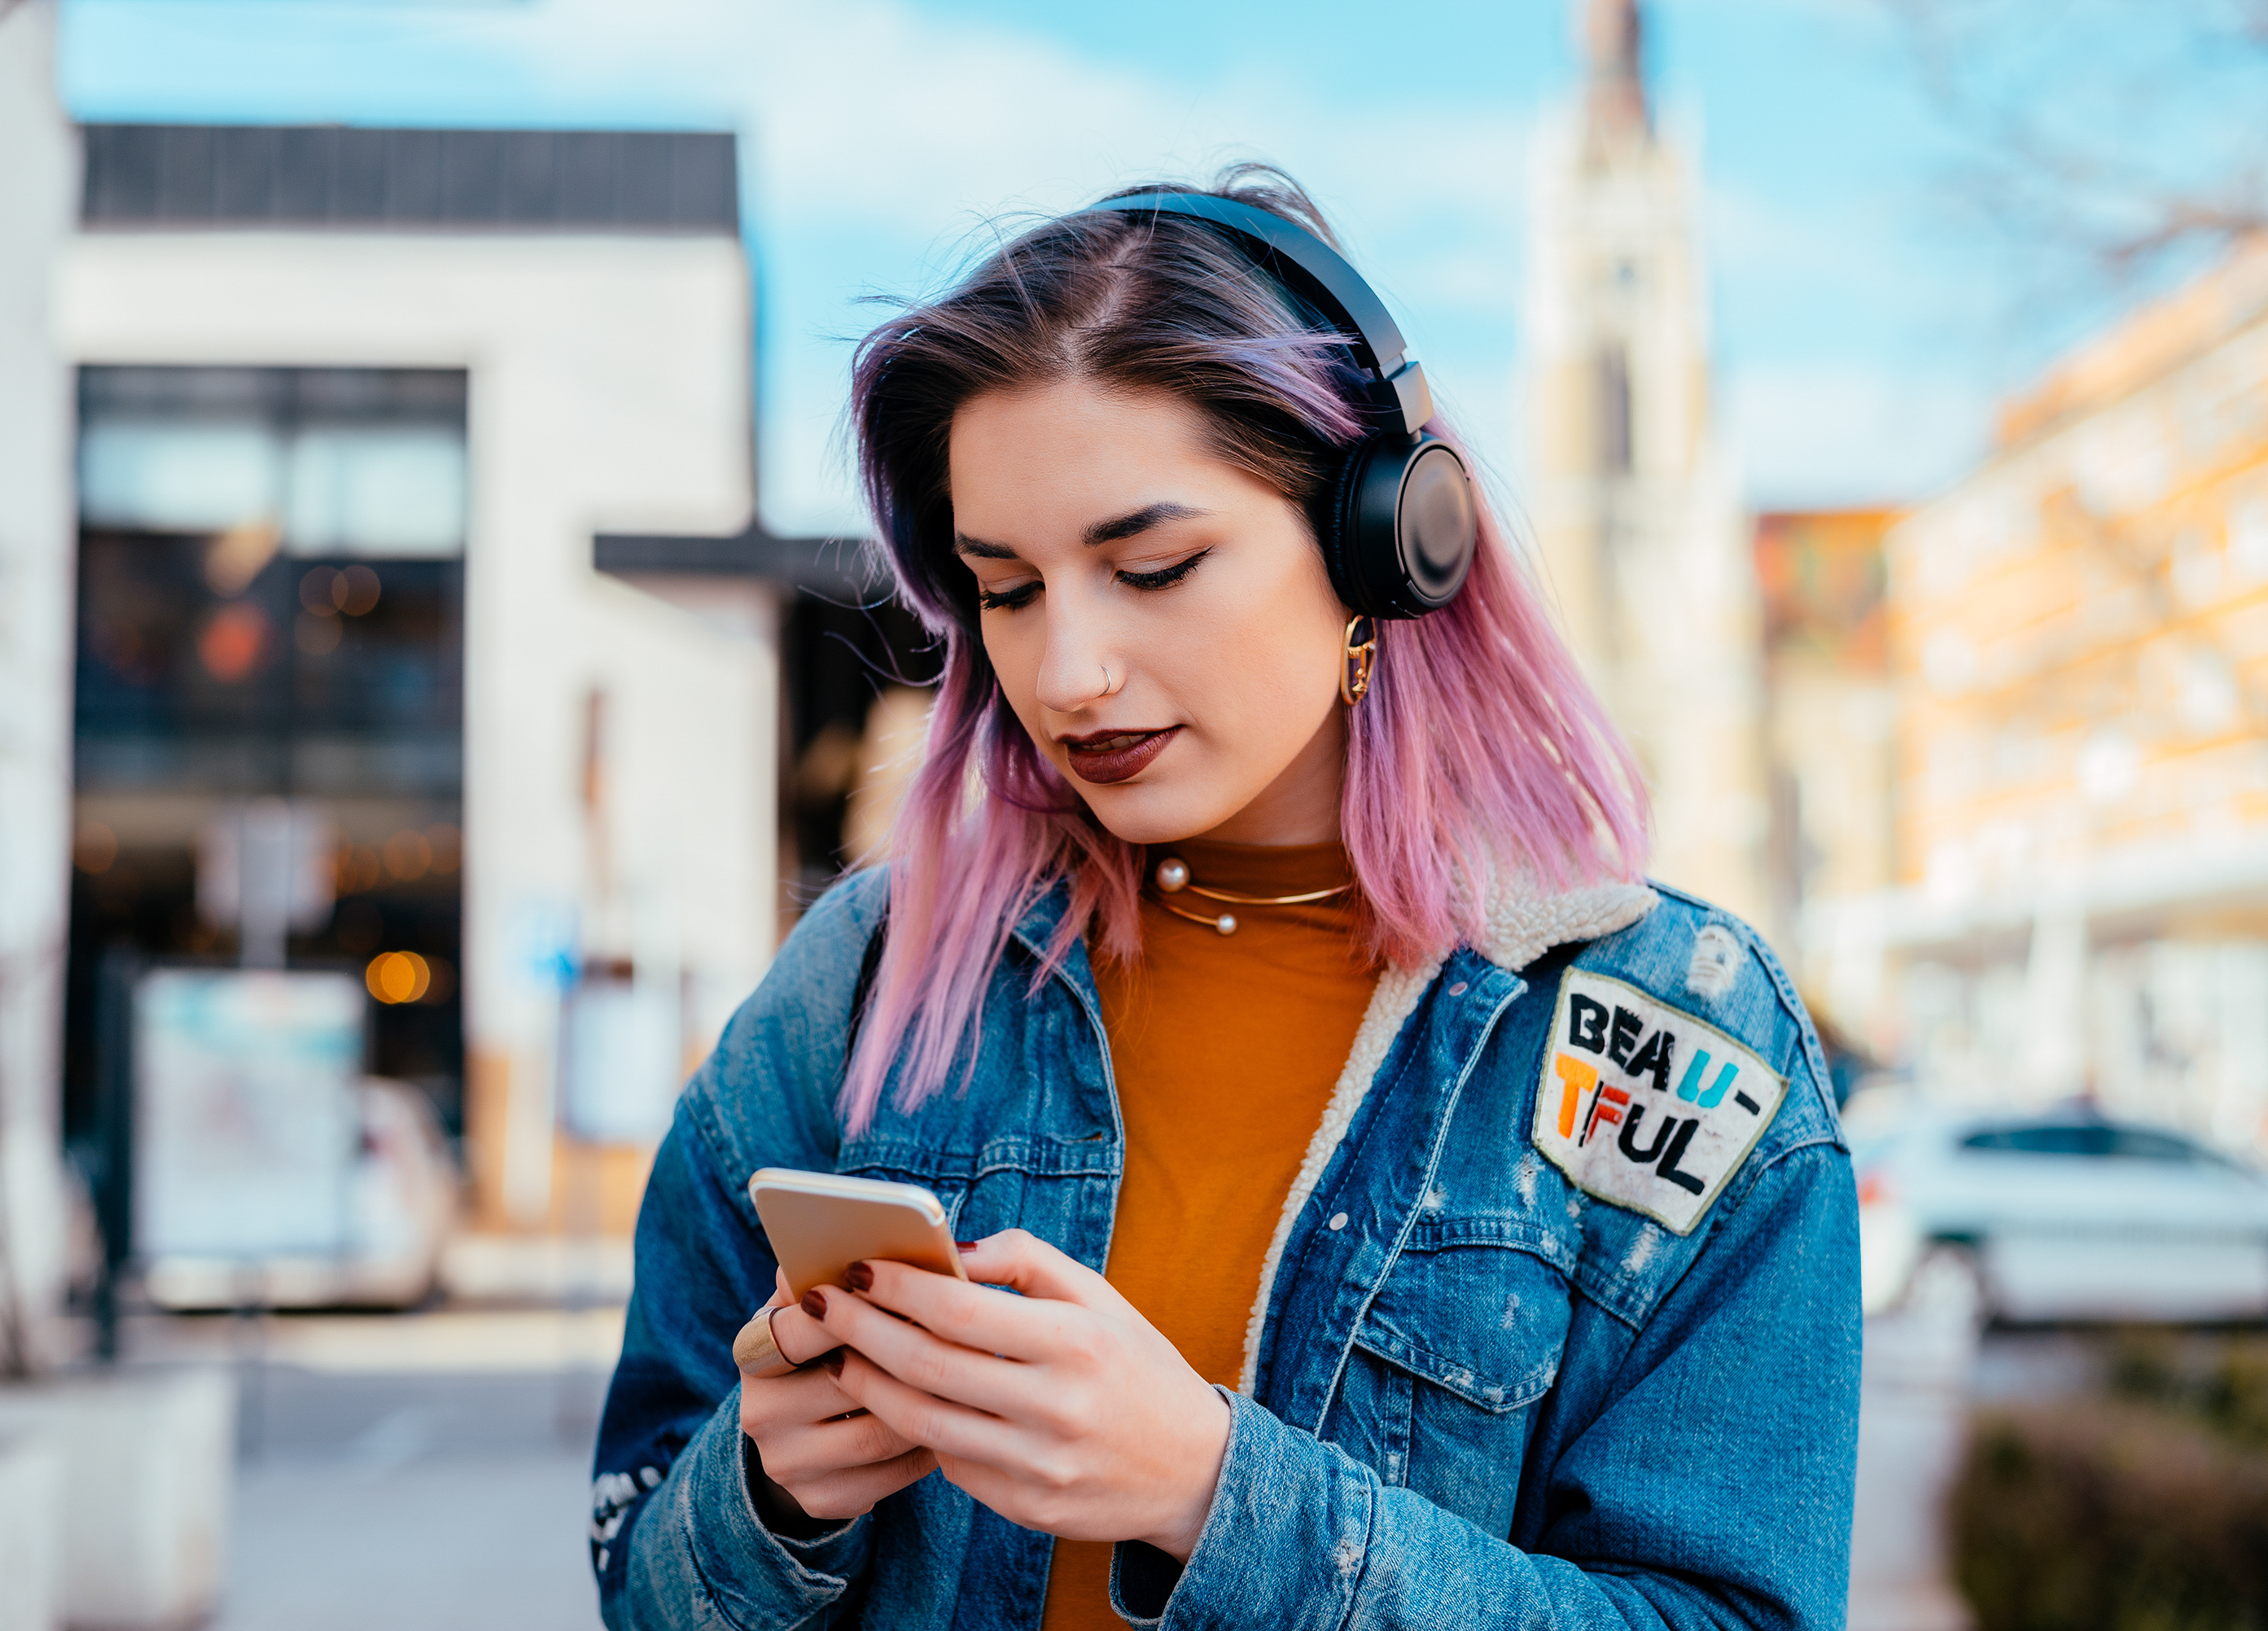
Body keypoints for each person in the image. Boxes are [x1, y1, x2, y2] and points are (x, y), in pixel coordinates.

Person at [590, 167, 1859, 1631]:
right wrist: (764, 1499)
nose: (1067, 673)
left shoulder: (1680, 1038)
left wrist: (1214, 1494)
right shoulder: (866, 979)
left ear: (1386, 542)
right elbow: (640, 1578)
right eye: (1006, 590)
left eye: (1153, 566)